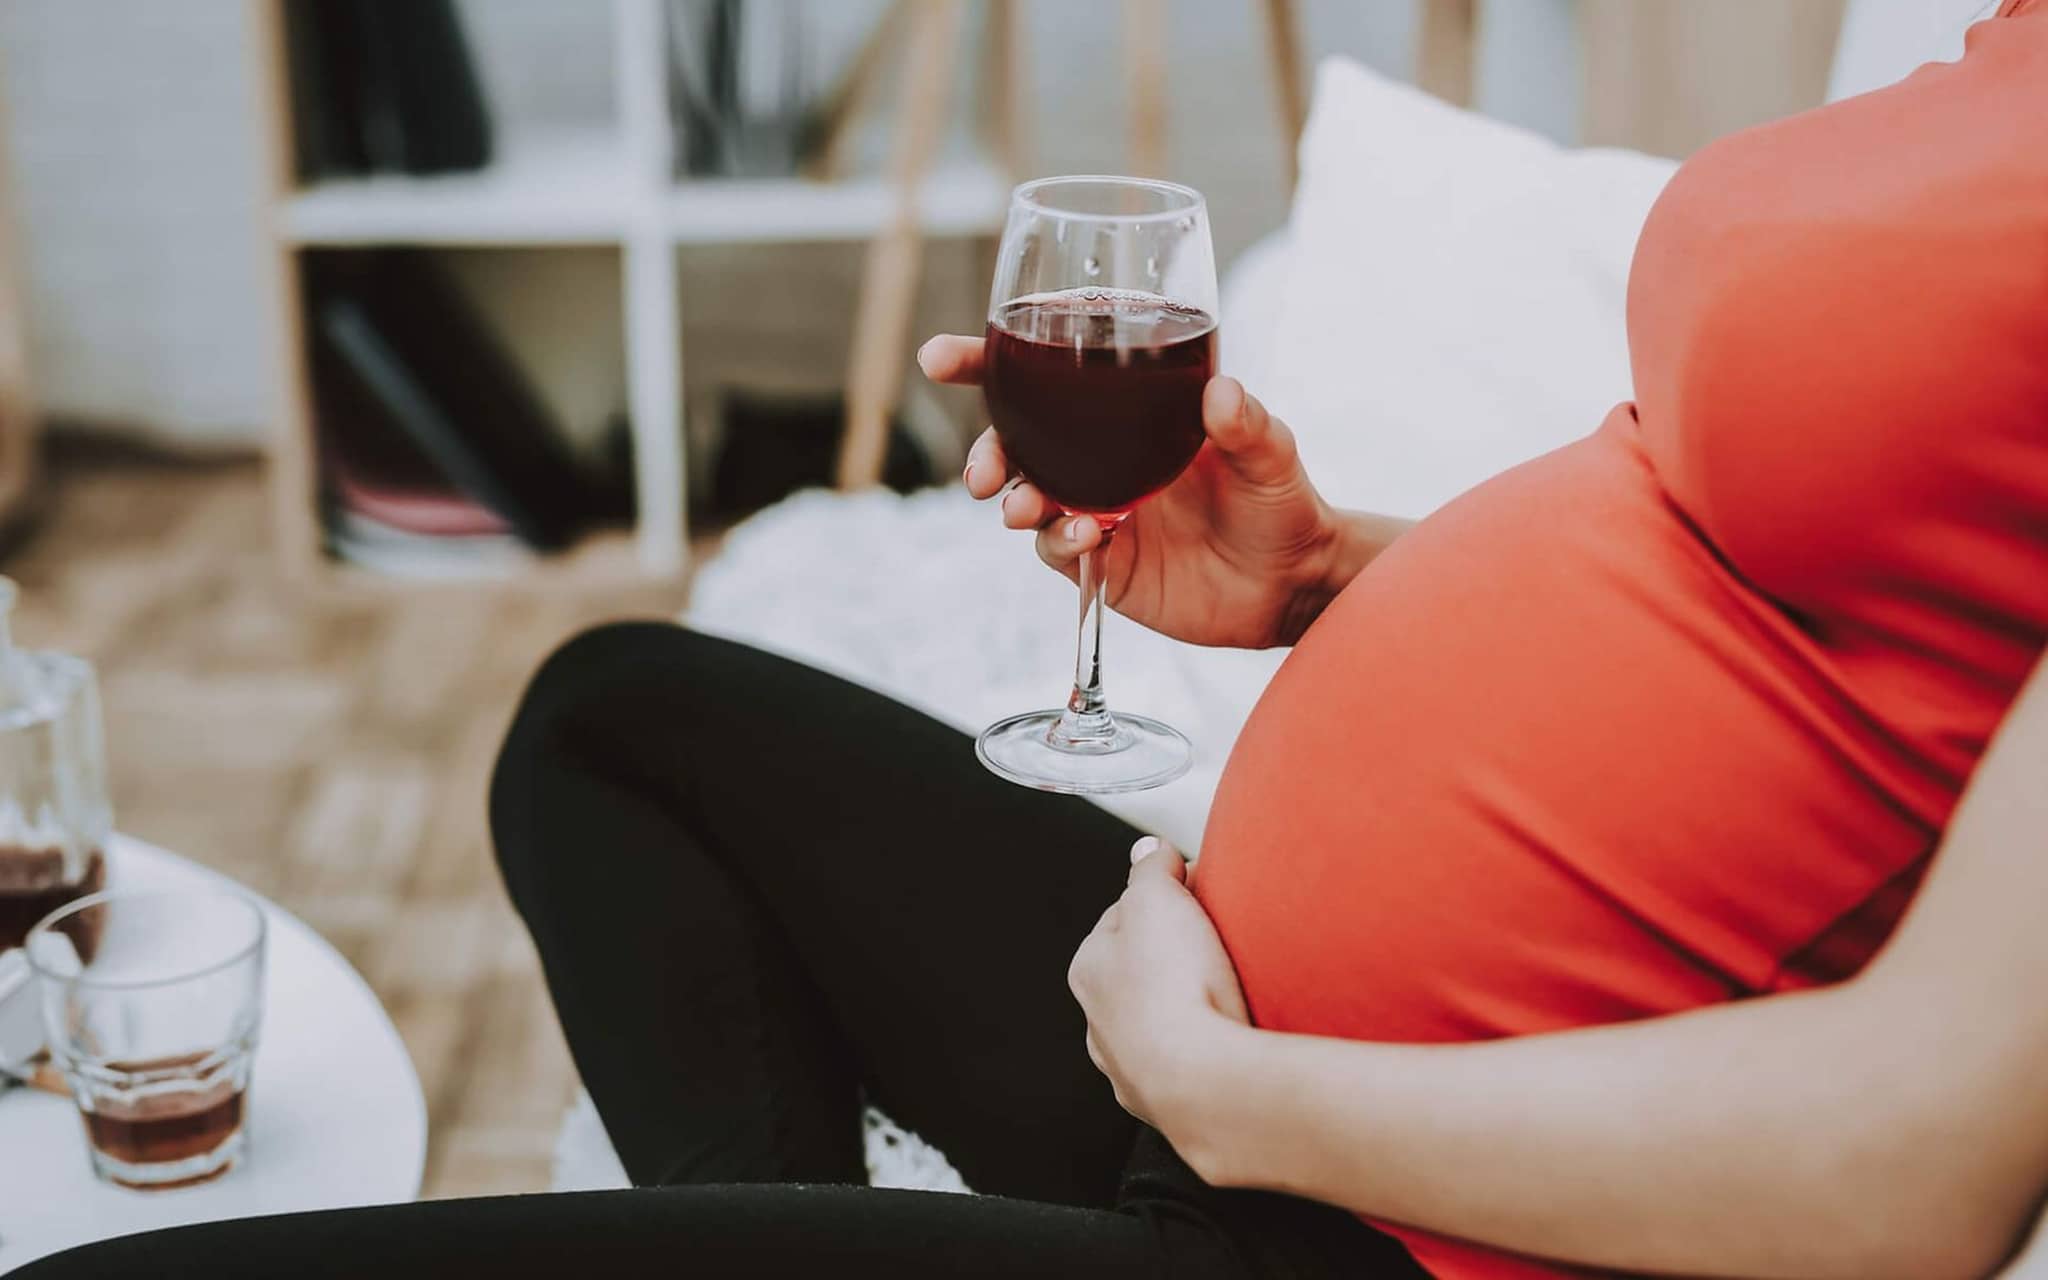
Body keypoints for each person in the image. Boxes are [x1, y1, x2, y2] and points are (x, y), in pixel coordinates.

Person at [20, 2, 2048, 1276]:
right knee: (614, 721)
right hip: (1254, 1056)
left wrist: (1226, 1092)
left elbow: (1923, 1169)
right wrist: (1338, 574)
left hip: (1419, 1215)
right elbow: (1808, 567)